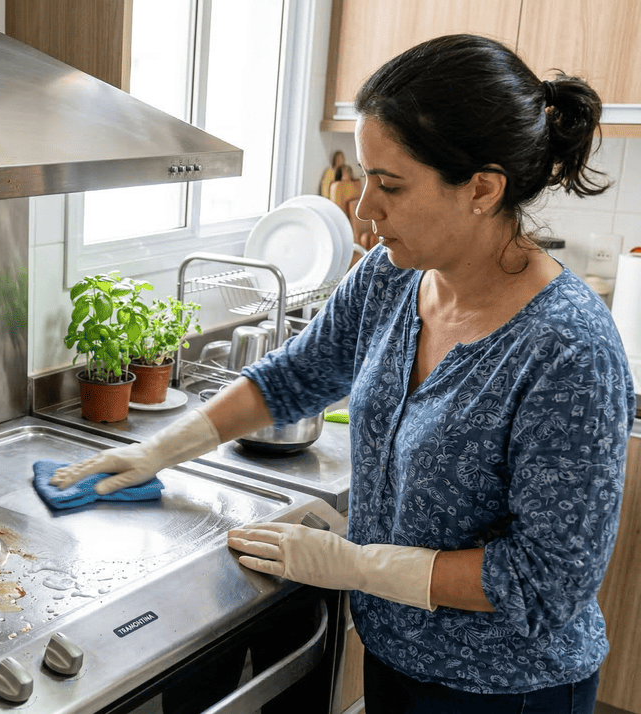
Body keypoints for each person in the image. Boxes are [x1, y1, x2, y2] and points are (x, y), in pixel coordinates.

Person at [51, 34, 635, 714]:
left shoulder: (568, 349)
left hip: (509, 691)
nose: (364, 208)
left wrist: (357, 565)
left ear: (482, 188)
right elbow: (294, 376)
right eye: (366, 176)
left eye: (391, 184)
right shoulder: (393, 275)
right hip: (395, 654)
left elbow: (547, 582)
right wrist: (160, 449)